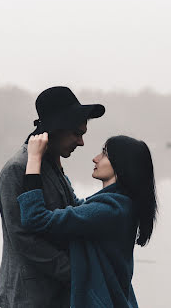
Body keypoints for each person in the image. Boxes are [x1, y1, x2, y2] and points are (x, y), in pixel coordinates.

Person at [17, 132, 158, 308]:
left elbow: (35, 218)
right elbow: (78, 208)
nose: (95, 159)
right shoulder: (120, 205)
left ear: (121, 164)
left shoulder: (110, 210)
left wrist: (34, 160)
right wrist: (57, 165)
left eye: (104, 154)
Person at [0, 86, 105, 308]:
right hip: (29, 298)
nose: (81, 142)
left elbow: (72, 209)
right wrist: (75, 271)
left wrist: (113, 205)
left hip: (57, 295)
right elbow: (23, 239)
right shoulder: (17, 168)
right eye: (77, 133)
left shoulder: (51, 162)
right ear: (56, 129)